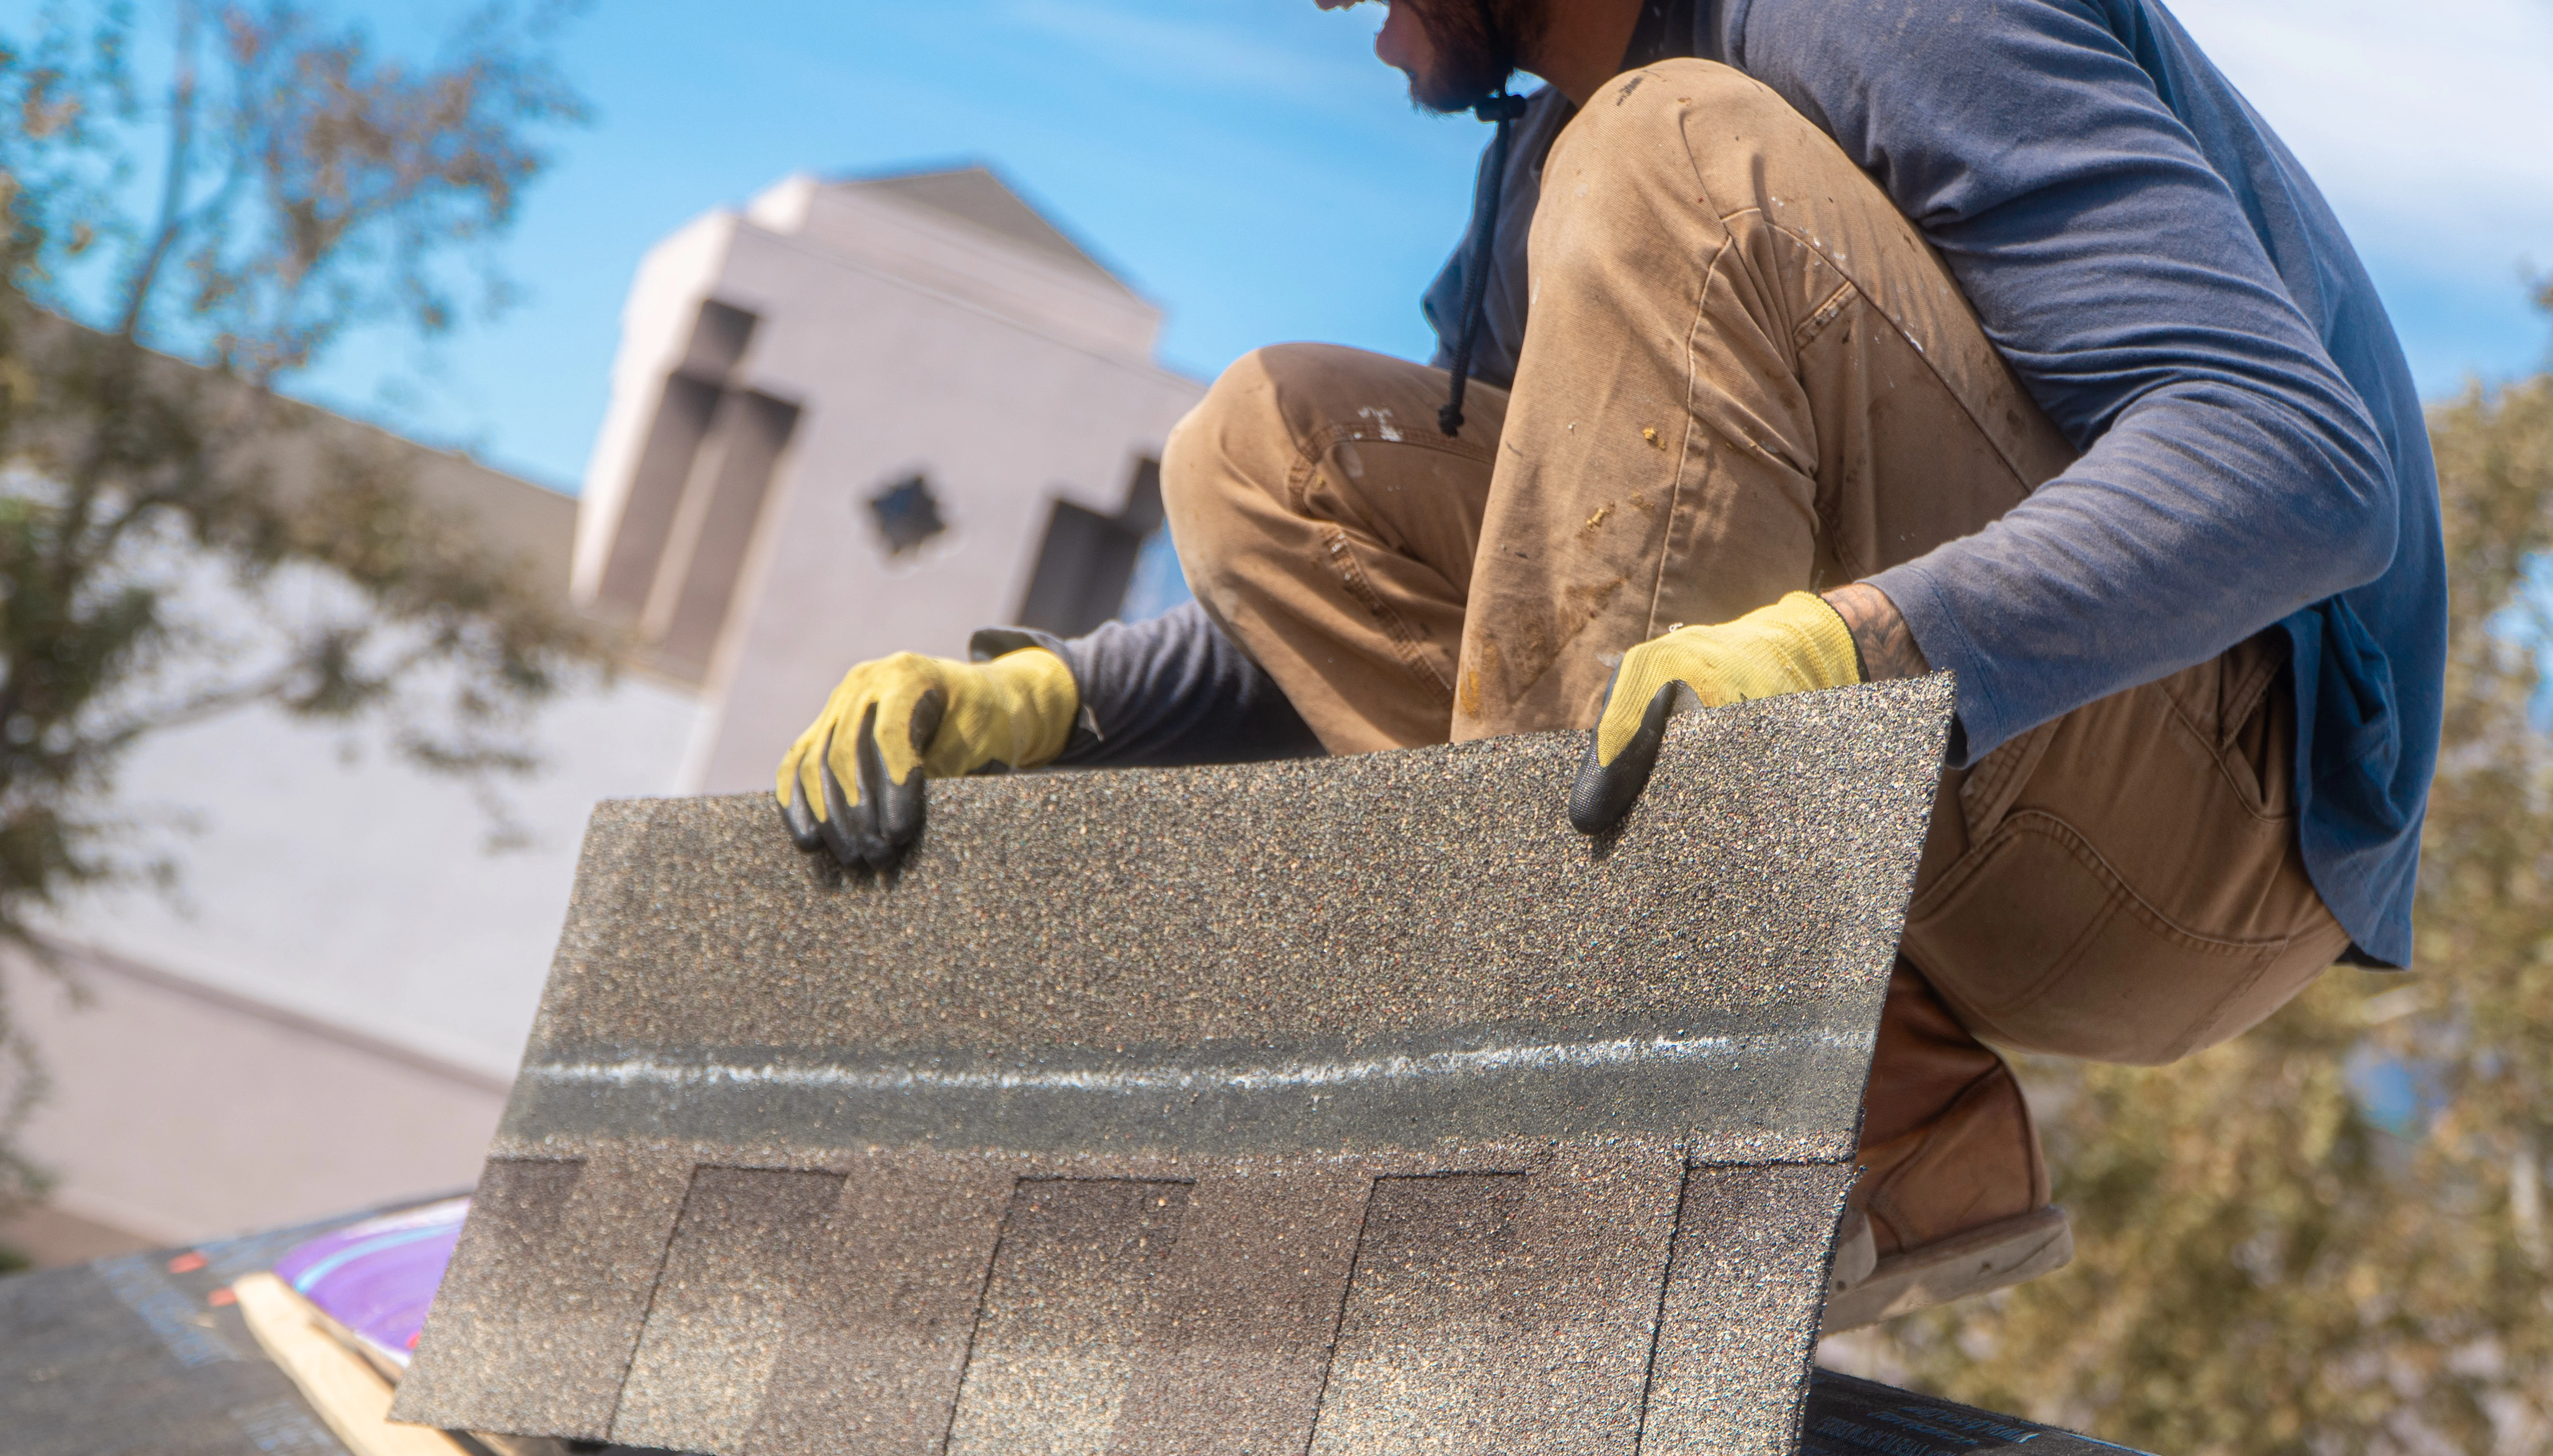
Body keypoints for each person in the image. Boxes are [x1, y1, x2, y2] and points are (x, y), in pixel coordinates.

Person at [774, 0, 2442, 1315]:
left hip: (2212, 831)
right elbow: (1502, 600)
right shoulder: (1543, 167)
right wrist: (1054, 699)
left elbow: (2296, 464)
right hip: (1929, 807)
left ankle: (1594, 1106)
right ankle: (1882, 1098)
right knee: (1263, 445)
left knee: (1671, 160)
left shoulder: (1870, 17)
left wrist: (1855, 657)